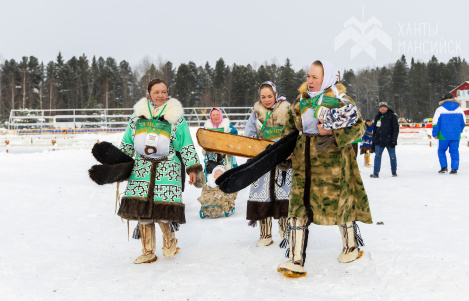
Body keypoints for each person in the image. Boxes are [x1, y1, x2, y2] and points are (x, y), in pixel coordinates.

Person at [277, 60, 372, 278]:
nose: (309, 81)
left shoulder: (341, 101)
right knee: (298, 207)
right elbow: (289, 129)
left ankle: (350, 246)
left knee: (341, 205)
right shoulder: (301, 101)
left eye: (315, 77)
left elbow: (358, 130)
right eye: (308, 76)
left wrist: (331, 132)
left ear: (326, 78)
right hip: (304, 163)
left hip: (333, 165)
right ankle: (295, 259)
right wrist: (285, 150)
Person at [117, 78, 204, 264]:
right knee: (143, 214)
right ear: (148, 93)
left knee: (165, 212)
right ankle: (147, 251)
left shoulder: (176, 118)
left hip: (167, 169)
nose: (160, 95)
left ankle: (169, 242)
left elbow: (186, 144)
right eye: (156, 92)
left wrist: (192, 168)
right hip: (142, 170)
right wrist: (117, 164)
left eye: (163, 92)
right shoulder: (137, 117)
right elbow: (127, 143)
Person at [244, 81, 292, 247]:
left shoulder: (287, 110)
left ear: (276, 95)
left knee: (284, 195)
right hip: (262, 160)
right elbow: (249, 135)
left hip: (283, 161)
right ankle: (265, 235)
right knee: (261, 195)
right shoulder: (256, 113)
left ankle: (286, 233)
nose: (266, 99)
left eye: (269, 96)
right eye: (263, 97)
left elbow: (294, 132)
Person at [432, 93, 466, 174]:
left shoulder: (440, 109)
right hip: (455, 134)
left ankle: (444, 167)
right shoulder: (460, 109)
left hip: (443, 135)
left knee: (441, 150)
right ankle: (454, 169)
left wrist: (435, 133)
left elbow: (435, 123)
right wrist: (459, 131)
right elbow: (463, 123)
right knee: (454, 151)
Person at [203, 107, 238, 177]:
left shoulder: (227, 125)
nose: (215, 117)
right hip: (212, 156)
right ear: (210, 116)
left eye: (217, 114)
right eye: (213, 115)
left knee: (227, 175)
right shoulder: (207, 127)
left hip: (226, 155)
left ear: (221, 115)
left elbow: (235, 137)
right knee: (213, 176)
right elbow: (203, 139)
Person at [370, 102, 399, 178]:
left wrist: (394, 140)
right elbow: (375, 130)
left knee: (392, 156)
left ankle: (394, 171)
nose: (382, 108)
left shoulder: (392, 116)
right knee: (377, 157)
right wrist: (373, 143)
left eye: (384, 107)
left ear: (387, 108)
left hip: (390, 141)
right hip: (379, 141)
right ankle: (376, 173)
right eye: (381, 107)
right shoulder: (377, 117)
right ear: (379, 109)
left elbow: (395, 129)